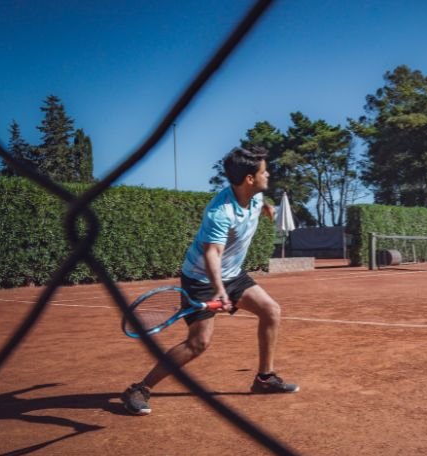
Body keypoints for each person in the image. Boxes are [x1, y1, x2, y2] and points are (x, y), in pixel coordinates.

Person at [121, 146, 298, 416]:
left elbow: (256, 202)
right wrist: (219, 292)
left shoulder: (253, 195)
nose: (268, 174)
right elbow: (212, 253)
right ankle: (139, 388)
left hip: (233, 274)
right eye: (264, 171)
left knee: (270, 310)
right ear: (249, 179)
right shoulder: (220, 213)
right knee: (198, 343)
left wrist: (266, 206)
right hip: (202, 278)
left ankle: (264, 378)